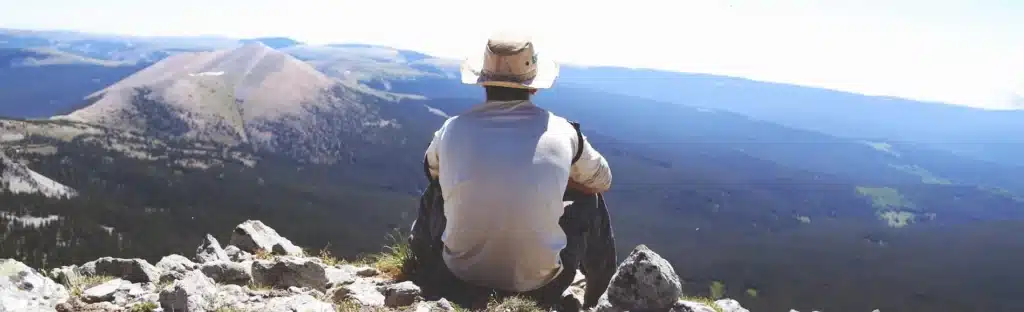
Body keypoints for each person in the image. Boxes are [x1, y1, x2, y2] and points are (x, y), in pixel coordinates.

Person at [405, 31, 617, 310]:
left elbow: (431, 173)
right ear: (534, 86)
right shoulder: (564, 132)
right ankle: (600, 299)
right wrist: (556, 181)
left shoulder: (451, 129)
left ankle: (420, 267)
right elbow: (603, 180)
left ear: (483, 82)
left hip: (457, 278)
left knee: (436, 189)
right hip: (543, 288)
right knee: (592, 201)